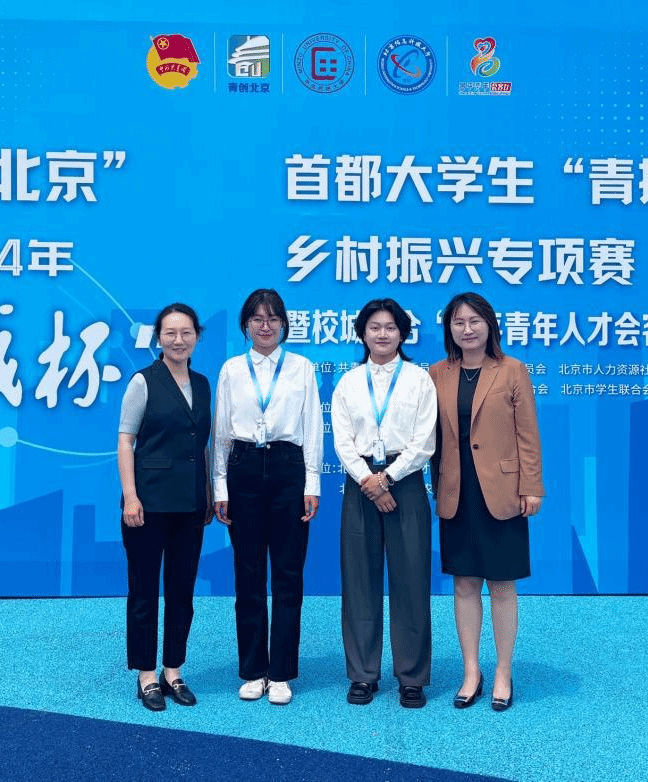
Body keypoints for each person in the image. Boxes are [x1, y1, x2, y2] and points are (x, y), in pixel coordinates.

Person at [428, 292, 544, 712]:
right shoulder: (437, 373)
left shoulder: (512, 370)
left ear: (490, 325)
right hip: (456, 491)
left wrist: (532, 486)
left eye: (475, 321)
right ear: (449, 328)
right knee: (464, 584)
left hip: (502, 491)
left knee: (502, 584)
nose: (467, 329)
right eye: (458, 322)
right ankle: (471, 671)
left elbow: (528, 434)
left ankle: (503, 671)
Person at [212, 289, 323, 706]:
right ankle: (253, 669)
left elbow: (313, 425)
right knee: (248, 573)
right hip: (243, 467)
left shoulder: (301, 367)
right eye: (257, 319)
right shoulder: (231, 369)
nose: (265, 326)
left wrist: (312, 483)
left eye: (273, 318)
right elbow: (221, 431)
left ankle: (281, 672)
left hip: (287, 466)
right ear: (246, 325)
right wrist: (220, 485)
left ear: (284, 325)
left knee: (288, 573)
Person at [330, 298, 437, 709]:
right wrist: (369, 482)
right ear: (362, 333)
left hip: (405, 483)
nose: (382, 334)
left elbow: (424, 441)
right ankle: (363, 674)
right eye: (374, 327)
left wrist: (387, 479)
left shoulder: (419, 380)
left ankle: (412, 676)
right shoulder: (348, 382)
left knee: (411, 580)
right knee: (359, 580)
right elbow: (342, 441)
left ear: (403, 334)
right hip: (360, 484)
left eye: (390, 327)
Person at [117, 303, 213, 712]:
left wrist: (208, 492)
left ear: (197, 337)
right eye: (170, 333)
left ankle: (173, 670)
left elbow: (202, 445)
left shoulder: (203, 384)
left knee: (182, 591)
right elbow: (126, 440)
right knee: (144, 591)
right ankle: (146, 675)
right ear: (158, 337)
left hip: (190, 504)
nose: (178, 340)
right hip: (148, 502)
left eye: (186, 332)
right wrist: (131, 495)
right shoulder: (143, 381)